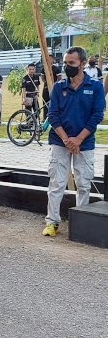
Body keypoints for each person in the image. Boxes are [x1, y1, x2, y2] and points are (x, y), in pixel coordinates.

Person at [42, 46, 106, 237]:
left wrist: (78, 139)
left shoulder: (95, 87)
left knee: (83, 183)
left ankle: (82, 223)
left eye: (71, 63)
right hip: (59, 141)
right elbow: (52, 116)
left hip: (84, 143)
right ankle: (52, 222)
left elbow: (97, 116)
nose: (67, 67)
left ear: (83, 64)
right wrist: (66, 139)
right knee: (57, 183)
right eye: (65, 63)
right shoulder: (58, 87)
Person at [42, 54, 62, 121]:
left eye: (50, 58)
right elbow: (42, 78)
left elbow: (59, 79)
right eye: (48, 58)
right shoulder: (44, 68)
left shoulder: (56, 69)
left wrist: (54, 85)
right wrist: (47, 83)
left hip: (54, 88)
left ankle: (53, 118)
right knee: (45, 103)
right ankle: (45, 118)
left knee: (54, 103)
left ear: (53, 59)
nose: (49, 60)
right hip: (46, 89)